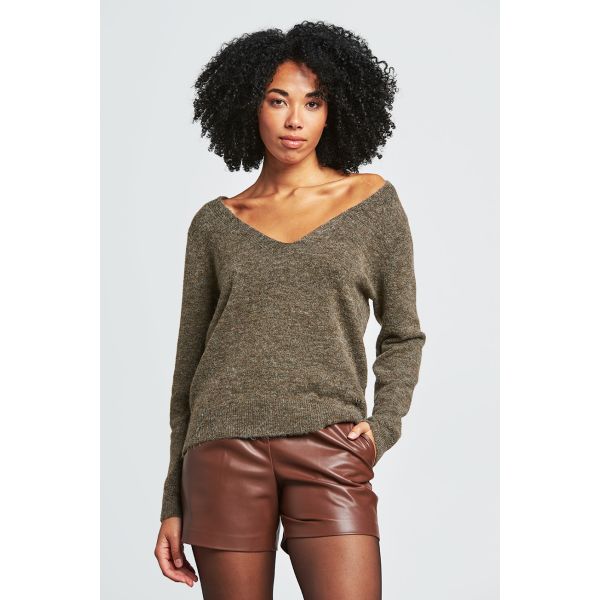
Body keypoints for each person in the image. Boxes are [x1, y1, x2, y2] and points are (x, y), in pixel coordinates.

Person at [154, 20, 426, 600]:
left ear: (335, 111)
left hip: (330, 448)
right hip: (222, 449)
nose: (295, 120)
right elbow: (188, 365)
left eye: (313, 102)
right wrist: (172, 500)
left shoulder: (372, 203)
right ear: (250, 106)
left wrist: (382, 428)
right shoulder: (215, 224)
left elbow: (403, 333)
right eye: (278, 100)